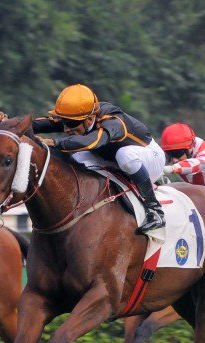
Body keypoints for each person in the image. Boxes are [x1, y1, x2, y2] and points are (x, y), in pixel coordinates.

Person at [30, 84, 166, 233]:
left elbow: (92, 141)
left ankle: (155, 209)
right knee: (75, 159)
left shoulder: (114, 121)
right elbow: (41, 124)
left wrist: (55, 142)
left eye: (71, 123)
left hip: (149, 159)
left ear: (89, 119)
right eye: (63, 121)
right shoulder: (79, 116)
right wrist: (8, 124)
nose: (66, 128)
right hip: (112, 159)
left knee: (124, 155)